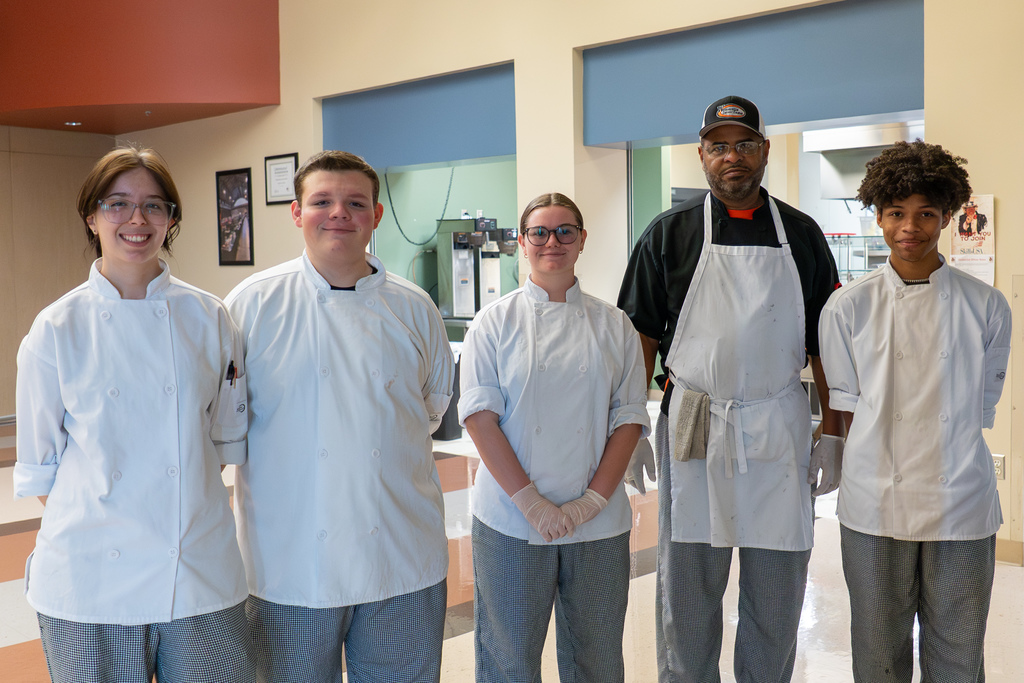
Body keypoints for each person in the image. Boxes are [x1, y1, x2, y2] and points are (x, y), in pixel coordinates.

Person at [617, 95, 844, 682]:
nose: (732, 157)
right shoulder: (668, 235)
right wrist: (630, 421)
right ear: (701, 156)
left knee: (776, 592)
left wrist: (836, 430)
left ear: (764, 150)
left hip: (779, 422)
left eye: (745, 144)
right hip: (694, 420)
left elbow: (828, 340)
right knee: (688, 592)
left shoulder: (803, 234)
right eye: (719, 147)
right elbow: (637, 337)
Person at [14, 147, 254, 683]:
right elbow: (42, 467)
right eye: (118, 203)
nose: (137, 220)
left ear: (171, 219)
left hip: (197, 572)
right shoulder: (56, 329)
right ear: (91, 216)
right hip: (91, 576)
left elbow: (218, 445)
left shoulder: (209, 317)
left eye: (154, 206)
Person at [225, 150, 454, 683]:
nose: (339, 214)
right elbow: (224, 420)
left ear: (376, 214)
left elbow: (430, 407)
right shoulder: (252, 304)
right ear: (296, 212)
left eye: (355, 203)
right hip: (287, 567)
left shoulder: (414, 307)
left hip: (402, 561)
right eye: (322, 201)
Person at [818, 140, 1011, 682]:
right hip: (875, 500)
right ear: (878, 217)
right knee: (878, 653)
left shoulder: (987, 306)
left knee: (957, 652)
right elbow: (849, 408)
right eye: (897, 213)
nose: (911, 227)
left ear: (948, 217)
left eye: (926, 213)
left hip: (961, 501)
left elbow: (976, 409)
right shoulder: (848, 306)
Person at [460, 192, 650, 682]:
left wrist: (590, 503)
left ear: (582, 240)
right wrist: (531, 504)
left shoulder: (615, 325)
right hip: (511, 520)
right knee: (510, 660)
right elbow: (480, 418)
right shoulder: (493, 322)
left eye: (565, 231)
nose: (553, 242)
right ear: (523, 242)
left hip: (599, 522)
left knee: (598, 657)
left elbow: (628, 418)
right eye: (540, 232)